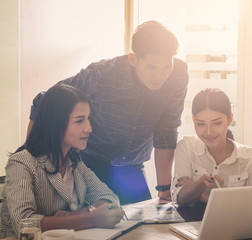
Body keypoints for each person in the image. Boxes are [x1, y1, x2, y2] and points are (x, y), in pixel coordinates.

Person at [28, 21, 189, 204]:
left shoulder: (178, 75)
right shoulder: (101, 75)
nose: (160, 76)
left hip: (131, 168)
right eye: (151, 67)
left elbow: (166, 132)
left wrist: (164, 190)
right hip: (89, 163)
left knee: (143, 226)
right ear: (133, 59)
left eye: (166, 66)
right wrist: (32, 163)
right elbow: (44, 101)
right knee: (91, 226)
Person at [0, 84, 125, 238]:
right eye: (79, 121)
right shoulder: (21, 162)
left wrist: (79, 214)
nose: (89, 128)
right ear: (56, 123)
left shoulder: (75, 161)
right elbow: (24, 222)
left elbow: (109, 198)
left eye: (88, 119)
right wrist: (90, 219)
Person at [171, 88, 252, 206]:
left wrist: (202, 195)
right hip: (190, 222)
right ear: (194, 121)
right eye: (201, 124)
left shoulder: (250, 157)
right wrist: (202, 182)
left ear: (229, 119)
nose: (209, 132)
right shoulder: (186, 146)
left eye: (217, 123)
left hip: (236, 223)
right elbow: (180, 197)